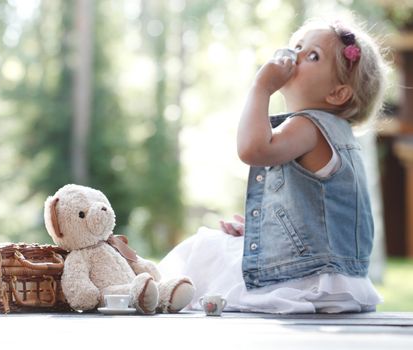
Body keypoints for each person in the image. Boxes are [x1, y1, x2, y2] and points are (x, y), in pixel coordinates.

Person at [158, 19, 387, 314]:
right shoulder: (338, 134)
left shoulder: (308, 125)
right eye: (297, 48)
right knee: (222, 248)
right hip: (340, 280)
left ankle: (152, 288)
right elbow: (319, 220)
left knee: (205, 248)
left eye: (312, 55)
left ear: (337, 93)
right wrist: (264, 232)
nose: (294, 57)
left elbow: (253, 149)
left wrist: (261, 87)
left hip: (306, 279)